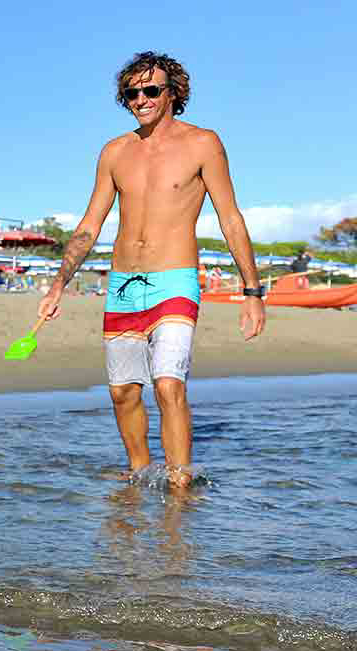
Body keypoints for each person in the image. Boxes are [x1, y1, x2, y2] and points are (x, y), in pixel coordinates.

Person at [37, 51, 266, 488]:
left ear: (172, 93)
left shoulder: (203, 144)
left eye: (151, 90)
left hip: (175, 279)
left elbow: (231, 219)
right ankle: (139, 474)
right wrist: (58, 285)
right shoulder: (115, 152)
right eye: (131, 93)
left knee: (167, 384)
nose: (140, 99)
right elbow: (89, 224)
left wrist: (252, 293)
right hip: (124, 284)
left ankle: (179, 485)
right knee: (123, 392)